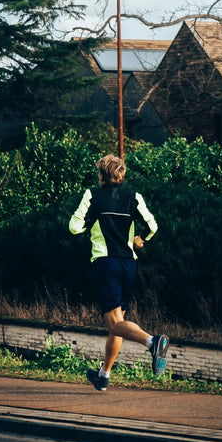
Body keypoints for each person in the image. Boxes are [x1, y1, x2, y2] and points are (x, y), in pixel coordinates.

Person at [69, 154, 169, 391]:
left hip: (106, 264)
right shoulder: (134, 197)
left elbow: (74, 227)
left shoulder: (92, 195)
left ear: (102, 175)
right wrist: (141, 239)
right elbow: (153, 226)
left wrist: (89, 223)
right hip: (129, 265)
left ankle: (152, 342)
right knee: (118, 323)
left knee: (114, 324)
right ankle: (103, 376)